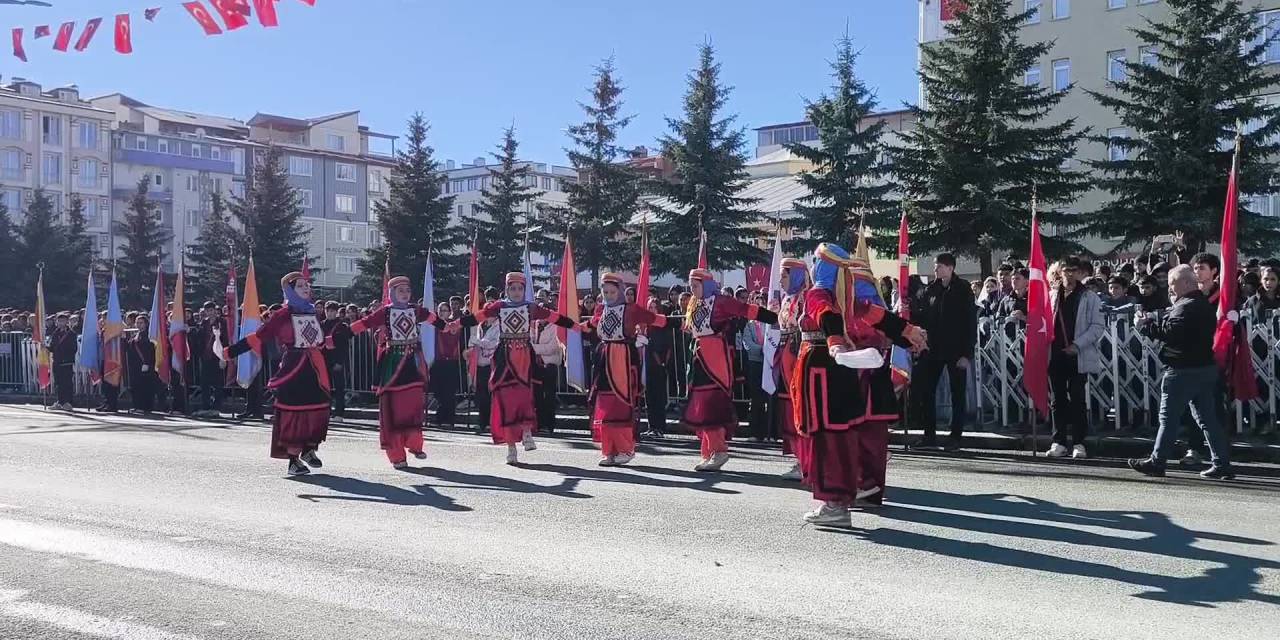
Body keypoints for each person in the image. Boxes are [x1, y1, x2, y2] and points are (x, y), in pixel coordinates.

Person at [794, 244, 926, 526]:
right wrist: (908, 332)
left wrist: (835, 344)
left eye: (816, 261)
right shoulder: (849, 297)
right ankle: (844, 497)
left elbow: (826, 316)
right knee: (843, 436)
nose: (814, 266)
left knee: (828, 438)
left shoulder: (819, 294)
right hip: (842, 371)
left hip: (822, 369)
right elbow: (877, 316)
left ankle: (835, 504)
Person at [452, 273, 580, 464]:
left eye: (520, 288)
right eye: (513, 288)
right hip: (504, 357)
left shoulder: (530, 307)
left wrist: (576, 326)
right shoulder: (499, 306)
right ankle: (511, 447)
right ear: (507, 289)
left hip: (523, 357)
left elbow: (554, 317)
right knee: (505, 400)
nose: (517, 292)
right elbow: (478, 317)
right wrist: (455, 324)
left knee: (523, 396)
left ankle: (527, 431)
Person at [1128, 265, 1236, 480]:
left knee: (1168, 418)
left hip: (1182, 370)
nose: (1169, 288)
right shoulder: (1202, 304)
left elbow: (1172, 334)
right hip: (1204, 369)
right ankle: (1222, 463)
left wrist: (1144, 325)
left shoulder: (1185, 306)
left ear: (1186, 283)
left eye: (1172, 283)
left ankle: (1157, 462)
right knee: (1208, 419)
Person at [224, 268, 333, 477]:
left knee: (318, 408)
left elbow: (319, 340)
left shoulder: (312, 312)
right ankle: (293, 458)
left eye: (306, 285)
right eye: (300, 286)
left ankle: (309, 448)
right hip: (293, 366)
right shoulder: (282, 315)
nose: (306, 288)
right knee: (293, 411)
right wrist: (231, 352)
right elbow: (259, 336)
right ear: (289, 291)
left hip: (315, 367)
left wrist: (340, 336)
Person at [680, 268, 778, 472]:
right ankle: (708, 451)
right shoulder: (694, 304)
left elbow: (745, 310)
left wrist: (774, 317)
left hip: (715, 357)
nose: (692, 289)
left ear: (706, 285)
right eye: (691, 286)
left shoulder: (721, 302)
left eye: (695, 286)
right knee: (700, 404)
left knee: (711, 405)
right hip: (699, 356)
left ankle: (720, 450)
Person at [349, 276, 448, 469]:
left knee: (413, 405)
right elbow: (365, 323)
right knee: (393, 409)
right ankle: (396, 455)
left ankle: (414, 444)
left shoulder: (414, 310)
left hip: (412, 361)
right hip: (392, 362)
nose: (405, 294)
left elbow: (431, 318)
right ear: (392, 293)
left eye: (407, 290)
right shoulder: (384, 312)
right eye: (400, 290)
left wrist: (449, 326)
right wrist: (342, 334)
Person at [580, 273, 668, 466]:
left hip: (623, 357)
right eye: (605, 292)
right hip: (604, 357)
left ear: (620, 291)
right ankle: (609, 450)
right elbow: (590, 325)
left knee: (620, 403)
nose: (609, 295)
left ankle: (626, 449)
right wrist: (569, 325)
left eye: (612, 291)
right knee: (604, 402)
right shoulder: (601, 309)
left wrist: (666, 319)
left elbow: (656, 320)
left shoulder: (631, 309)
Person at [911, 253, 976, 451]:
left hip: (956, 349)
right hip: (933, 349)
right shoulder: (932, 289)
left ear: (950, 268)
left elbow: (969, 322)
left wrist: (967, 354)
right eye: (935, 266)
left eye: (939, 266)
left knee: (957, 393)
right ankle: (929, 435)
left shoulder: (963, 289)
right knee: (927, 391)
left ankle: (956, 436)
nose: (935, 270)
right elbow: (922, 315)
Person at [1045, 257, 1106, 459]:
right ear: (1060, 272)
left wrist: (1077, 345)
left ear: (1080, 273)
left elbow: (1097, 327)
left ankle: (1079, 442)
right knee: (1057, 399)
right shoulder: (1052, 295)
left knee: (1078, 399)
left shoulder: (1090, 297)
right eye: (1066, 270)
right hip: (1055, 353)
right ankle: (1059, 441)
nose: (1069, 274)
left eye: (1074, 270)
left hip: (1078, 355)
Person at [771, 258, 811, 480]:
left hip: (798, 354)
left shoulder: (807, 298)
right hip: (786, 355)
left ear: (796, 276)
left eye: (784, 276)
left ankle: (808, 460)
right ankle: (799, 458)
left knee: (801, 405)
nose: (780, 280)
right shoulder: (788, 299)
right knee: (790, 406)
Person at [530, 293, 564, 435]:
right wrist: (535, 348)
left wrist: (536, 349)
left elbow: (552, 347)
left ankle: (549, 424)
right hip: (537, 364)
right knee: (537, 395)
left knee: (549, 396)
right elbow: (530, 341)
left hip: (550, 364)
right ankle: (539, 423)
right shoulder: (534, 326)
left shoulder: (555, 327)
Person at [642, 295, 674, 440]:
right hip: (647, 365)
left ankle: (660, 427)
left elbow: (666, 346)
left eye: (654, 307)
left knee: (659, 398)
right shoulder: (645, 326)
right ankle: (651, 426)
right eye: (649, 307)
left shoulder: (662, 325)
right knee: (649, 397)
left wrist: (662, 363)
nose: (651, 310)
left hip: (658, 365)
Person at [430, 301, 462, 429]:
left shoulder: (453, 325)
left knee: (449, 392)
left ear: (449, 312)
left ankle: (448, 418)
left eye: (445, 310)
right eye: (440, 310)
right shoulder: (434, 326)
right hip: (438, 362)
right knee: (439, 391)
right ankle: (441, 416)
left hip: (450, 361)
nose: (443, 313)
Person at [467, 314, 500, 435]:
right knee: (481, 395)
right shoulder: (480, 326)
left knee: (491, 395)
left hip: (491, 364)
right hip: (480, 364)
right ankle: (483, 422)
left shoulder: (498, 327)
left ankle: (492, 422)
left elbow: (494, 343)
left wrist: (479, 342)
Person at [320, 301, 352, 421]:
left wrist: (340, 362)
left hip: (336, 359)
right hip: (324, 359)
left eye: (333, 311)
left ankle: (339, 413)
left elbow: (344, 346)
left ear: (337, 312)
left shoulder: (342, 326)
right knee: (324, 387)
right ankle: (325, 410)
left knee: (339, 387)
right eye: (328, 310)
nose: (330, 313)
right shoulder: (321, 324)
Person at [193, 302, 226, 416]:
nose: (210, 313)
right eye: (207, 311)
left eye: (211, 310)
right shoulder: (204, 323)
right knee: (204, 382)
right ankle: (206, 406)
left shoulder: (221, 322)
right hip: (205, 356)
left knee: (218, 383)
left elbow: (225, 339)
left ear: (215, 311)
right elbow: (199, 338)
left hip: (217, 356)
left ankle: (217, 407)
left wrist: (224, 358)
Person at [125, 313, 157, 414]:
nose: (139, 325)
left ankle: (145, 406)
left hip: (146, 365)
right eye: (137, 323)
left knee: (145, 386)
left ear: (146, 324)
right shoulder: (136, 335)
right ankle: (137, 405)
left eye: (141, 323)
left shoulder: (149, 335)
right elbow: (130, 347)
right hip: (135, 365)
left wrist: (147, 363)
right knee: (136, 386)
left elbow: (150, 350)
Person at [48, 312, 78, 410]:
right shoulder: (55, 333)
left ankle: (68, 402)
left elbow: (74, 348)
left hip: (66, 362)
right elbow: (52, 347)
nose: (61, 323)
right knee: (58, 383)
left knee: (67, 383)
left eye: (63, 321)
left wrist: (64, 352)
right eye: (59, 321)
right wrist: (46, 347)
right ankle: (60, 401)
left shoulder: (71, 333)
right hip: (56, 361)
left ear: (67, 322)